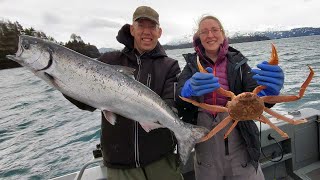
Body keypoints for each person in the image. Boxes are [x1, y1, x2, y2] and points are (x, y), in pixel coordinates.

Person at [63, 6, 183, 180]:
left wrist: (163, 118)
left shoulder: (169, 66)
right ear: (132, 29)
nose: (147, 32)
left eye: (152, 27)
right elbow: (85, 103)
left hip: (161, 160)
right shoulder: (109, 61)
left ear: (160, 32)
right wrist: (63, 80)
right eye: (141, 26)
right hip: (120, 164)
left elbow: (172, 103)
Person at [176, 15, 284, 180]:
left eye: (214, 30)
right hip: (205, 142)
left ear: (223, 34)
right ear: (198, 37)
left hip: (241, 139)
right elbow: (179, 100)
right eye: (204, 31)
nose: (210, 35)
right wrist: (185, 92)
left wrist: (268, 93)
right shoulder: (191, 65)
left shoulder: (239, 63)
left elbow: (257, 98)